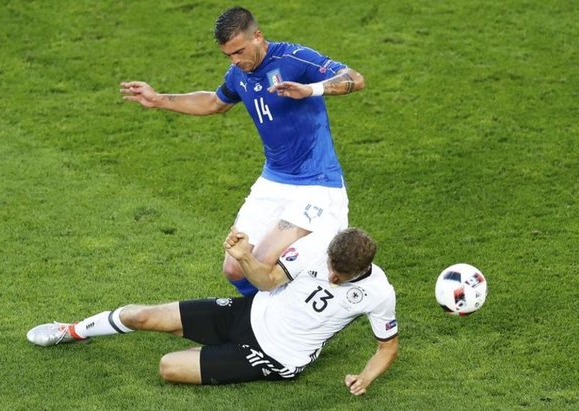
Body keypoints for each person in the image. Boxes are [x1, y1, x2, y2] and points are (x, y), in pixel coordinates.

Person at [119, 6, 365, 296]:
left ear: (257, 36)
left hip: (315, 183)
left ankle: (292, 317)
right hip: (274, 179)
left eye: (239, 51)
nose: (235, 61)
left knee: (258, 263)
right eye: (228, 55)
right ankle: (261, 314)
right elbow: (214, 103)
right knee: (235, 267)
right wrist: (159, 99)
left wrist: (311, 90)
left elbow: (354, 78)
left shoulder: (293, 58)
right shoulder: (238, 74)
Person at [27, 226, 398, 396]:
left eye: (340, 277)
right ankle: (71, 331)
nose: (332, 277)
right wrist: (244, 257)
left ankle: (218, 355)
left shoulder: (378, 293)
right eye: (331, 267)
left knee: (169, 366)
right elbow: (268, 281)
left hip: (275, 356)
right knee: (140, 316)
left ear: (362, 269)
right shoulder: (318, 247)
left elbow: (387, 347)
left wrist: (365, 377)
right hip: (246, 313)